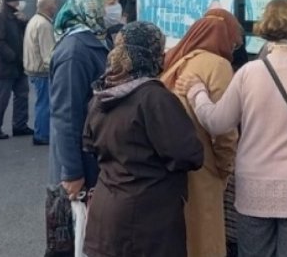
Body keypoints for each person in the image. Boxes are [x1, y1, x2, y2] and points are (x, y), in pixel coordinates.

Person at [177, 0, 287, 257]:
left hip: (254, 187)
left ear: (266, 25)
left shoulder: (248, 73)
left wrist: (197, 92)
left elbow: (217, 123)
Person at [83, 21, 203, 257]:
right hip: (147, 221)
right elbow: (188, 154)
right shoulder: (154, 98)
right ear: (152, 55)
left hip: (105, 213)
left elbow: (89, 144)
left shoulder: (102, 94)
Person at [161, 9, 242, 257]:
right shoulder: (218, 65)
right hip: (204, 168)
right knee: (204, 238)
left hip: (169, 167)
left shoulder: (173, 61)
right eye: (234, 40)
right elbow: (225, 130)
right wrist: (224, 168)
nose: (234, 45)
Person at [48, 0, 121, 200]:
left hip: (96, 153)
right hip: (83, 162)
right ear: (91, 6)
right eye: (110, 4)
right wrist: (72, 172)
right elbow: (66, 114)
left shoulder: (98, 39)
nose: (116, 9)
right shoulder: (75, 52)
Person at [0, 0, 32, 140]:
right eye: (18, 1)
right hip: (6, 66)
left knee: (22, 95)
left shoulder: (14, 17)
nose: (20, 3)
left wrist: (24, 22)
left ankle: (20, 125)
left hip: (18, 65)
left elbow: (23, 36)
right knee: (2, 98)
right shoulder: (0, 17)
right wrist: (13, 57)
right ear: (12, 1)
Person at [22, 0, 58, 146]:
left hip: (33, 68)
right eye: (55, 5)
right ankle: (42, 134)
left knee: (41, 102)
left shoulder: (34, 20)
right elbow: (48, 54)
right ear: (50, 7)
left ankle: (40, 132)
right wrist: (55, 71)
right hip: (42, 71)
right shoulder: (44, 25)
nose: (56, 8)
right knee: (45, 104)